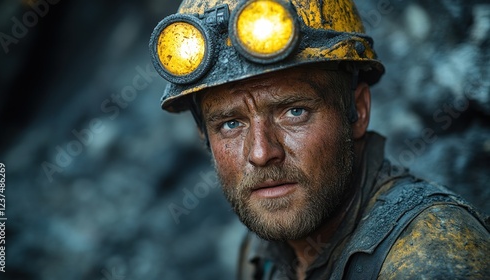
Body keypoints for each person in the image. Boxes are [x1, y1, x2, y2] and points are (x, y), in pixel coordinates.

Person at [149, 0, 490, 279]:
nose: (262, 152)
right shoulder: (263, 253)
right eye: (230, 123)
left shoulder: (431, 253)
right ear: (204, 138)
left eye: (294, 112)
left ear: (357, 110)